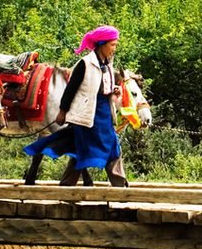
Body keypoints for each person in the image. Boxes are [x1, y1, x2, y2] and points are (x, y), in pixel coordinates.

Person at [24, 25, 128, 187]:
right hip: (87, 115)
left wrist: (112, 91)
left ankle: (71, 184)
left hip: (103, 113)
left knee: (106, 147)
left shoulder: (107, 65)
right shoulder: (85, 64)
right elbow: (71, 90)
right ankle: (118, 186)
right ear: (102, 44)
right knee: (88, 149)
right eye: (113, 45)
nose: (114, 49)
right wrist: (62, 111)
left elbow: (103, 87)